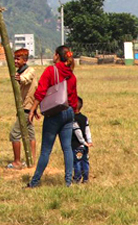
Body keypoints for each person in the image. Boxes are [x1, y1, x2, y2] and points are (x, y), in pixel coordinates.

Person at [26, 45, 79, 188]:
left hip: (54, 112)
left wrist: (33, 109)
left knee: (46, 150)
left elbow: (41, 91)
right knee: (67, 148)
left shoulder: (51, 70)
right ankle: (68, 181)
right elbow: (74, 98)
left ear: (56, 56)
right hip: (68, 112)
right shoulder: (71, 75)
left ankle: (35, 181)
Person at [7, 48, 38, 169]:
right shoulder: (20, 71)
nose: (15, 61)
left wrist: (19, 78)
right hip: (28, 107)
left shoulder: (30, 71)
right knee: (30, 134)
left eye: (18, 59)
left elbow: (27, 79)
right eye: (14, 58)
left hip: (26, 107)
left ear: (24, 60)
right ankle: (32, 161)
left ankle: (17, 161)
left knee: (14, 134)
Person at [71, 97, 93, 184]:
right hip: (85, 146)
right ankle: (86, 178)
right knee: (85, 162)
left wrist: (83, 142)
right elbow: (87, 130)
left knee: (77, 163)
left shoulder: (72, 119)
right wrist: (89, 141)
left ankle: (77, 178)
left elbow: (78, 132)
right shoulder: (84, 118)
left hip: (76, 145)